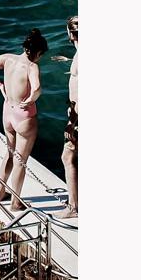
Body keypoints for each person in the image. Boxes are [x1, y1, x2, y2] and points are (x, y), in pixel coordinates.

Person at [0, 30, 49, 213]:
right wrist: (32, 98)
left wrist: (0, 84)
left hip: (8, 112)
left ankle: (0, 193)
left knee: (8, 153)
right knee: (20, 161)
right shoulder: (32, 67)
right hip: (24, 117)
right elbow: (38, 88)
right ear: (38, 52)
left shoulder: (7, 59)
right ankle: (15, 203)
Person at [61, 14, 79, 217]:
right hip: (76, 113)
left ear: (69, 34)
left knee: (68, 156)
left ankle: (73, 207)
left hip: (78, 116)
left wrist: (72, 122)